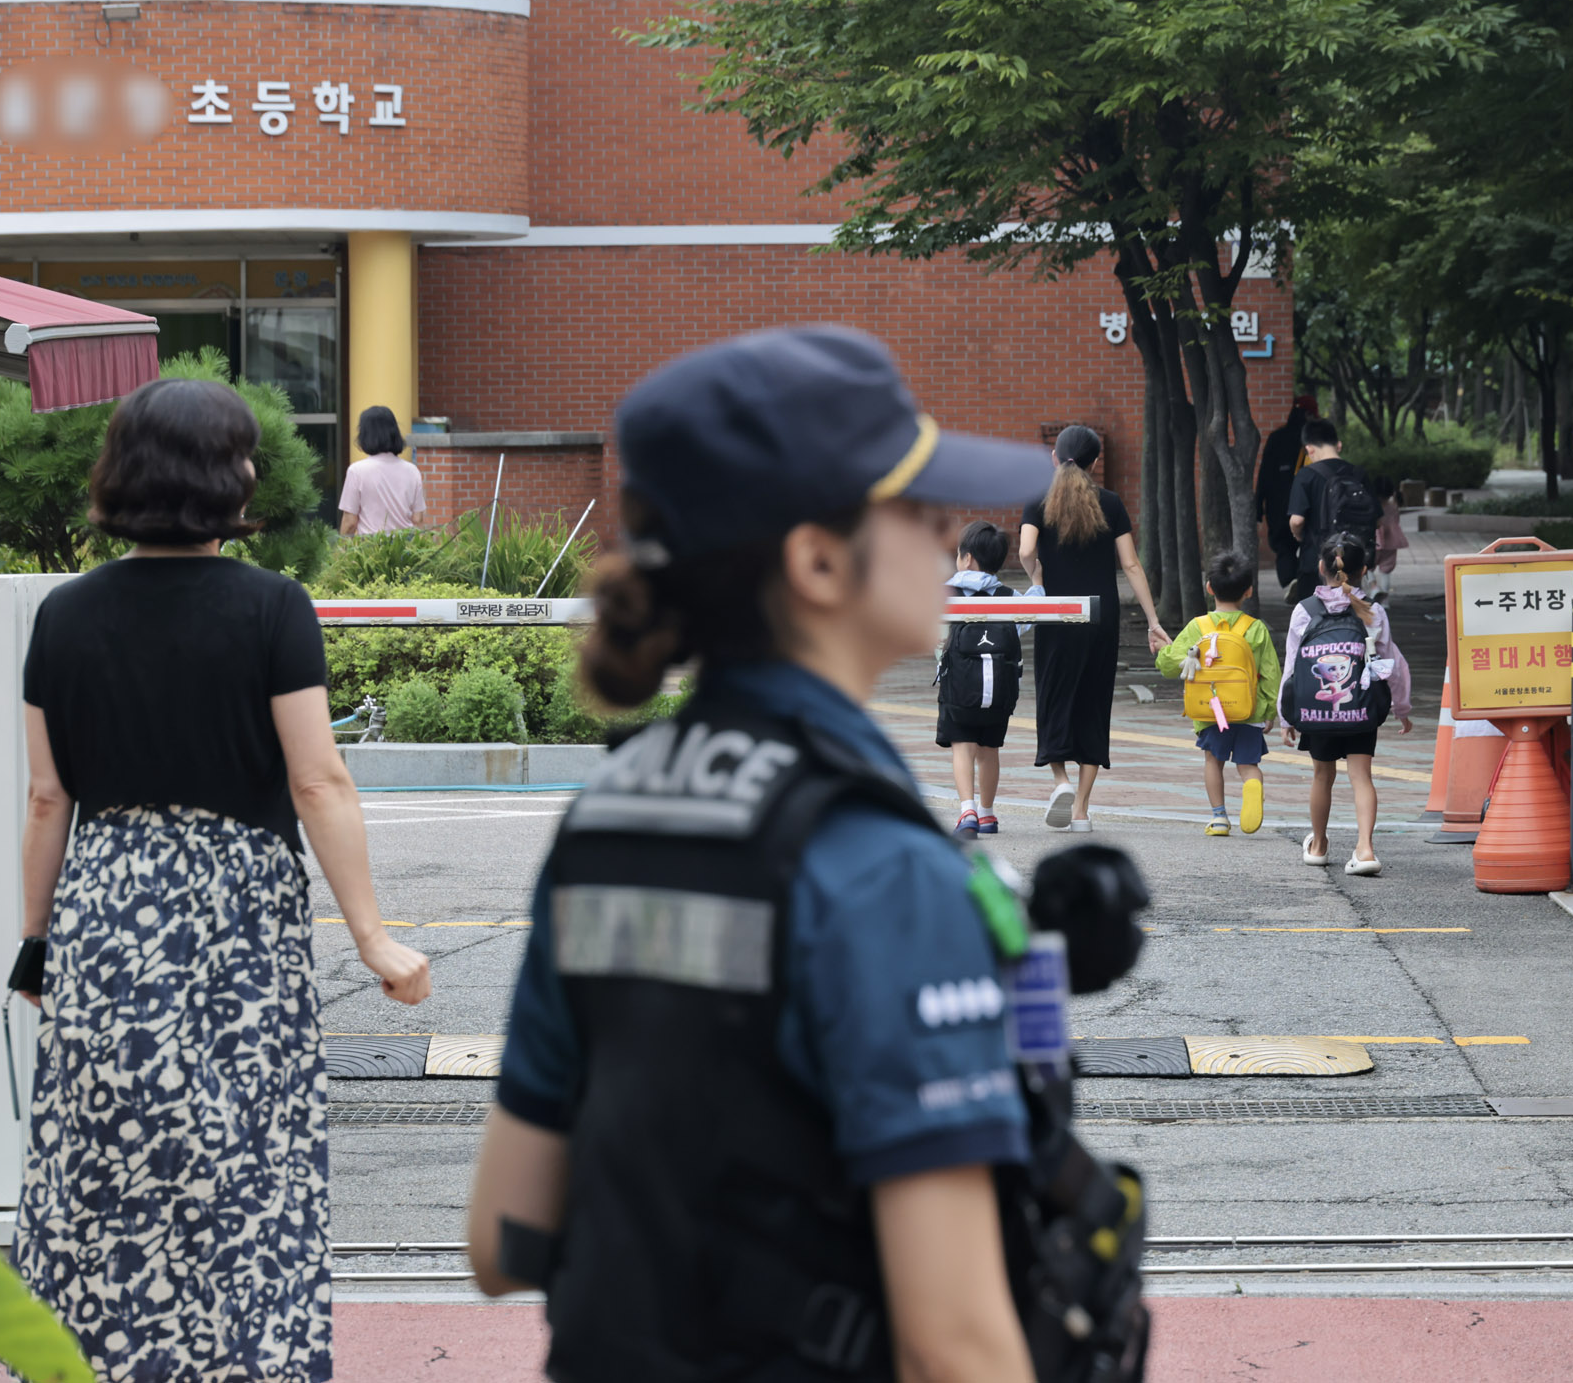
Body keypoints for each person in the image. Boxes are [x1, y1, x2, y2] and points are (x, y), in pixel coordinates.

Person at [466, 328, 1150, 1382]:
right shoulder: (880, 867)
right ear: (818, 560)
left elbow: (503, 1237)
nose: (942, 533)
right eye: (913, 509)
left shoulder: (608, 816)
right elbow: (956, 1347)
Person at [12, 378, 431, 1383]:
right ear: (221, 475)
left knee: (105, 1153)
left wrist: (37, 942)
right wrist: (371, 935)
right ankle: (248, 1359)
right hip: (234, 906)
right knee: (244, 1148)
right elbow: (318, 778)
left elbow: (45, 798)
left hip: (108, 904)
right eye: (244, 453)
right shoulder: (271, 607)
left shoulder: (64, 615)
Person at [1019, 425, 1170, 833]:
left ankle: (1061, 782)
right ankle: (1082, 810)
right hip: (1100, 620)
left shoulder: (1038, 500)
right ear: (1095, 462)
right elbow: (1132, 565)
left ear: (1054, 457)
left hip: (1057, 617)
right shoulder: (1111, 502)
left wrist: (1037, 578)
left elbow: (1026, 550)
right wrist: (1153, 621)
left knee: (1054, 699)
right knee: (1093, 704)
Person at [1282, 533, 1413, 875]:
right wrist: (1401, 706)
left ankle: (1319, 845)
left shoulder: (1304, 611)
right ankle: (1365, 850)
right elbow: (1392, 664)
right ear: (1364, 570)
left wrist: (1287, 717)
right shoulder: (1372, 611)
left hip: (1316, 709)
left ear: (1320, 567)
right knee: (1361, 777)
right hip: (1362, 709)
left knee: (1322, 776)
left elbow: (1292, 667)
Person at [1154, 552, 1281, 836]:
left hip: (1209, 709)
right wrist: (1269, 711)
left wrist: (1162, 652)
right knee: (1249, 765)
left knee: (1213, 761)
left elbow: (1170, 666)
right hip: (1248, 710)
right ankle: (1253, 784)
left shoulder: (1197, 627)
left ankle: (1219, 817)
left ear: (1209, 587)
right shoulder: (1256, 629)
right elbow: (1271, 674)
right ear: (1248, 591)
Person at [940, 519, 1023, 837]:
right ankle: (987, 814)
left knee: (963, 746)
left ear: (967, 558)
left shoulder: (947, 592)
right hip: (999, 691)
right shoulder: (1008, 595)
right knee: (989, 749)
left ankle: (967, 811)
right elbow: (1026, 624)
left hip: (958, 688)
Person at [1285, 418, 1377, 605]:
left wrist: (1298, 536)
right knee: (1354, 616)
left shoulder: (1305, 475)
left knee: (1313, 619)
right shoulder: (1359, 474)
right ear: (1339, 445)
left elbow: (1296, 521)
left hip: (1317, 561)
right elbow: (1378, 518)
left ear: (1309, 449)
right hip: (1353, 561)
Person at [337, 403, 426, 536]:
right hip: (404, 548)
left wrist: (342, 550)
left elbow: (350, 522)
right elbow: (417, 519)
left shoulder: (357, 471)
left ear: (365, 435)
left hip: (371, 549)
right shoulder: (412, 470)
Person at [1256, 396, 1314, 590]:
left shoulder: (1276, 438)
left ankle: (1291, 582)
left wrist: (1258, 505)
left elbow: (1264, 474)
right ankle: (1304, 583)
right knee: (1309, 545)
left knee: (1283, 547)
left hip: (1277, 506)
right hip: (1308, 504)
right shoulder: (1312, 441)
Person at [1363, 475, 1408, 602]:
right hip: (1391, 543)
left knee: (1367, 567)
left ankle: (1373, 587)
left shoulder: (1371, 506)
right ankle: (1385, 599)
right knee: (1386, 571)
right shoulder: (1394, 506)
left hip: (1374, 541)